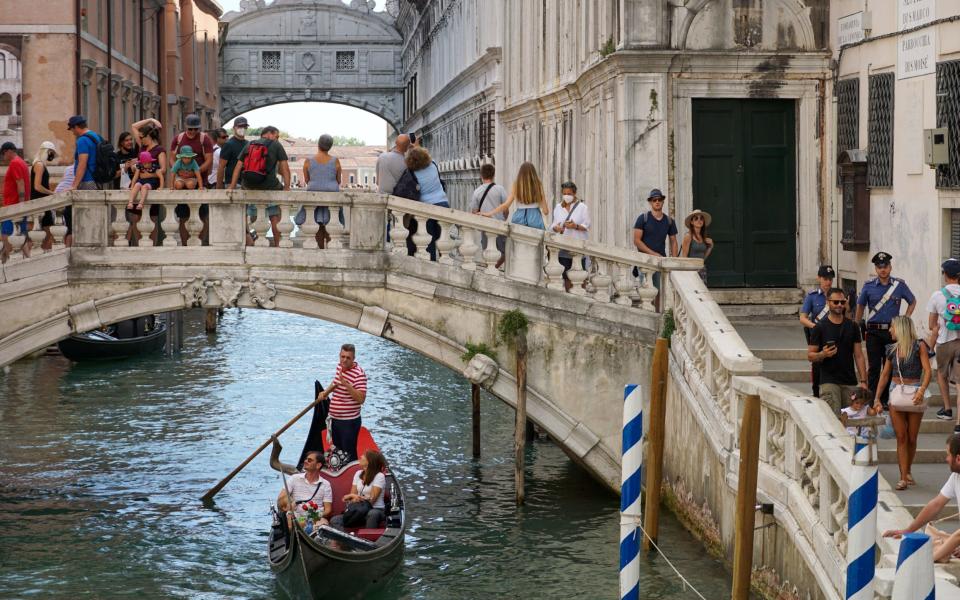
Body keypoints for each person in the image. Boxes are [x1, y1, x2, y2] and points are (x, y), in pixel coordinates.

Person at [883, 433, 960, 563]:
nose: (946, 459)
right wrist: (907, 531)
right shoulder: (956, 477)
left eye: (948, 454)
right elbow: (936, 505)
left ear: (958, 458)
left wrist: (929, 560)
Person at [874, 315, 931, 490]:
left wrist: (921, 390)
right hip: (896, 390)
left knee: (912, 437)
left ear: (901, 328)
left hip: (914, 390)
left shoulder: (919, 345)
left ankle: (907, 470)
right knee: (901, 436)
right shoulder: (892, 349)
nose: (890, 330)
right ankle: (902, 477)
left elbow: (928, 371)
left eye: (892, 327)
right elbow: (884, 375)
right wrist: (877, 397)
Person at [855, 252, 917, 409]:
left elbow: (912, 301)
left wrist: (905, 320)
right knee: (874, 367)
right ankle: (872, 399)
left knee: (890, 366)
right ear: (876, 269)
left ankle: (885, 399)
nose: (882, 270)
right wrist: (856, 324)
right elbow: (861, 306)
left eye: (885, 266)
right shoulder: (868, 286)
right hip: (874, 332)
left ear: (890, 267)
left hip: (893, 332)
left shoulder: (899, 285)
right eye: (879, 267)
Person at [807, 287, 869, 413]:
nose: (839, 305)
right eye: (835, 302)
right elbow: (810, 355)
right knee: (833, 418)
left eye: (842, 302)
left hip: (849, 380)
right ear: (827, 302)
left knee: (851, 420)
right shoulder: (820, 327)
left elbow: (859, 355)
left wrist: (863, 381)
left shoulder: (853, 326)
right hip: (828, 381)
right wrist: (823, 354)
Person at [229, 125, 290, 247]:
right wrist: (287, 188)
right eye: (276, 136)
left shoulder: (250, 144)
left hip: (250, 186)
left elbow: (238, 166)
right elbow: (285, 168)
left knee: (254, 217)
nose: (276, 139)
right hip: (270, 187)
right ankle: (278, 245)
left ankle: (256, 243)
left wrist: (232, 186)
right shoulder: (276, 145)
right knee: (274, 217)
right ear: (269, 134)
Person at [316, 344, 368, 462]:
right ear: (339, 356)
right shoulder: (340, 367)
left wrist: (346, 384)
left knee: (348, 453)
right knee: (338, 451)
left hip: (349, 422)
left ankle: (353, 476)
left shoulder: (359, 374)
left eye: (348, 358)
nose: (344, 360)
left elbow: (361, 399)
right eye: (342, 356)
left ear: (353, 358)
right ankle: (340, 474)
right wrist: (325, 393)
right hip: (335, 419)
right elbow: (336, 382)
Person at [170, 114, 213, 243]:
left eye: (196, 129)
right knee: (183, 216)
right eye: (190, 129)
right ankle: (184, 244)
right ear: (185, 127)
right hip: (182, 182)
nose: (193, 132)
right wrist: (179, 171)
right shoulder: (178, 139)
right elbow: (172, 159)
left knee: (202, 215)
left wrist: (195, 172)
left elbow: (209, 160)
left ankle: (200, 243)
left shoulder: (204, 139)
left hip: (200, 182)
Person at [633, 188, 679, 307]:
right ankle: (647, 314)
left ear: (663, 201)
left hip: (660, 261)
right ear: (650, 202)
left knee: (659, 290)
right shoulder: (643, 218)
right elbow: (637, 241)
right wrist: (653, 253)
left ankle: (657, 314)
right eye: (654, 200)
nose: (657, 202)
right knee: (646, 290)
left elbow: (673, 241)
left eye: (659, 199)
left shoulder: (669, 221)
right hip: (645, 261)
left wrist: (674, 260)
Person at [927, 259, 960, 424]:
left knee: (941, 374)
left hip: (944, 342)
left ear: (945, 275)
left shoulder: (937, 295)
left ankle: (947, 409)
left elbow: (931, 324)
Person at [296, 133, 342, 248]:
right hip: (332, 197)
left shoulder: (308, 161)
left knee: (316, 224)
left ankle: (320, 249)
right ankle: (331, 250)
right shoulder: (335, 161)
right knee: (332, 223)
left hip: (314, 197)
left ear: (318, 145)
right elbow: (338, 180)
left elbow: (307, 180)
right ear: (330, 146)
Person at [405, 146, 449, 261]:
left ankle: (432, 266)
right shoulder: (433, 163)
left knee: (429, 242)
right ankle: (444, 266)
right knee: (443, 240)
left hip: (426, 207)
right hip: (443, 203)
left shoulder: (412, 171)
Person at [800, 265, 837, 397]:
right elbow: (803, 318)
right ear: (819, 278)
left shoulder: (837, 295)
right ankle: (816, 392)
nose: (828, 282)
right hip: (817, 335)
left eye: (830, 279)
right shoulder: (812, 296)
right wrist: (815, 327)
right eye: (825, 279)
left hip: (833, 334)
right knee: (816, 363)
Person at [481, 161, 549, 233]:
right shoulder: (538, 185)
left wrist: (489, 213)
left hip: (519, 219)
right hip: (535, 220)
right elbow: (546, 211)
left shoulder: (516, 185)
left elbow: (505, 205)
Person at [128, 122, 167, 245]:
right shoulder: (142, 147)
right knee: (135, 217)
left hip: (152, 185)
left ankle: (153, 245)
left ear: (149, 136)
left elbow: (163, 170)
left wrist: (147, 174)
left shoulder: (160, 150)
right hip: (139, 183)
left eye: (141, 137)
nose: (139, 139)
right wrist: (151, 119)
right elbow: (134, 126)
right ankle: (140, 244)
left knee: (152, 217)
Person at [549, 181, 591, 291]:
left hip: (578, 246)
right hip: (563, 246)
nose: (566, 196)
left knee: (580, 276)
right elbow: (553, 224)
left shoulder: (582, 207)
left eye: (569, 193)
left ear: (574, 193)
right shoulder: (558, 207)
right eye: (564, 193)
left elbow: (587, 225)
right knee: (566, 276)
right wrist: (556, 228)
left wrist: (575, 226)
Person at [330, 450, 387, 530]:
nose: (361, 457)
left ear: (370, 461)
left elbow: (372, 500)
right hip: (359, 510)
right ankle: (347, 539)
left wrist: (352, 496)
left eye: (364, 455)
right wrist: (352, 497)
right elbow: (352, 497)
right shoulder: (358, 473)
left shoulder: (379, 476)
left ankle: (368, 540)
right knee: (335, 520)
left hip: (375, 509)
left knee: (372, 514)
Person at [276, 450, 332, 527]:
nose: (305, 461)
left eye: (309, 460)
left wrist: (315, 516)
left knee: (323, 525)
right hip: (298, 517)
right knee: (295, 520)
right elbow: (281, 499)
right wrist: (289, 505)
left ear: (318, 465)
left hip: (316, 518)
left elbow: (328, 510)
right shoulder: (294, 478)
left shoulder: (325, 484)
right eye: (306, 459)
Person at [468, 163, 508, 268]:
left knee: (487, 251)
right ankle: (494, 267)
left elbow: (474, 212)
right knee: (505, 251)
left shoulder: (477, 192)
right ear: (494, 175)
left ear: (481, 175)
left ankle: (490, 268)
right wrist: (504, 218)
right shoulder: (500, 189)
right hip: (499, 226)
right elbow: (506, 209)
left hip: (485, 227)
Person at [1, 141, 30, 262]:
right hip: (18, 204)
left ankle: (4, 262)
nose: (3, 157)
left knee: (6, 234)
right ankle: (29, 260)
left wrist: (21, 203)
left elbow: (20, 182)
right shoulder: (22, 162)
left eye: (3, 154)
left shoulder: (15, 163)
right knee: (21, 234)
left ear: (8, 151)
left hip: (14, 206)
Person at [30, 141, 58, 251]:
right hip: (40, 202)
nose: (52, 155)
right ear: (47, 151)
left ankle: (45, 252)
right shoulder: (39, 165)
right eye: (51, 152)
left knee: (46, 231)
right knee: (46, 232)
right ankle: (45, 253)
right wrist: (52, 193)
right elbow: (37, 186)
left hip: (42, 202)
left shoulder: (38, 163)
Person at [68, 115, 103, 192]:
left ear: (76, 127)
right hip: (98, 179)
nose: (72, 132)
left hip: (87, 180)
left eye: (72, 129)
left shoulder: (82, 140)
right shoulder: (97, 136)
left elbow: (82, 164)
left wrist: (74, 185)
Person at [680, 209, 713, 282]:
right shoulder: (688, 236)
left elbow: (703, 258)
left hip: (701, 269)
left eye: (701, 218)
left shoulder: (703, 237)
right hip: (691, 270)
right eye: (696, 218)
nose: (699, 220)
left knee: (702, 292)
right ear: (691, 222)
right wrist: (686, 273)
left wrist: (710, 247)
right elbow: (684, 256)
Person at [216, 117, 249, 190]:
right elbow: (221, 167)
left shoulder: (248, 144)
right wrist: (219, 187)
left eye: (244, 126)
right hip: (232, 185)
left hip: (246, 183)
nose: (242, 129)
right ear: (234, 128)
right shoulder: (229, 144)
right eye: (240, 126)